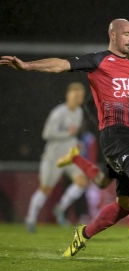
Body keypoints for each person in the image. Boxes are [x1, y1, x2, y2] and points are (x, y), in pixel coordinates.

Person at [0, 18, 129, 257]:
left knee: (125, 205)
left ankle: (82, 235)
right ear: (113, 35)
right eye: (127, 34)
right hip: (114, 135)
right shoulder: (98, 60)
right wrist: (27, 66)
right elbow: (60, 65)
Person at [56, 51, 129, 236]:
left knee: (104, 182)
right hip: (117, 140)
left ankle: (76, 159)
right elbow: (89, 103)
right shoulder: (112, 83)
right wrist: (102, 124)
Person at [24, 82, 88, 232]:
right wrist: (68, 134)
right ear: (68, 96)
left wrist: (76, 142)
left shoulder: (79, 112)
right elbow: (46, 134)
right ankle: (31, 219)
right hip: (54, 157)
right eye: (75, 95)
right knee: (45, 189)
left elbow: (71, 134)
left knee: (82, 181)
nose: (78, 98)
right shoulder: (58, 113)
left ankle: (60, 208)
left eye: (80, 96)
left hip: (70, 156)